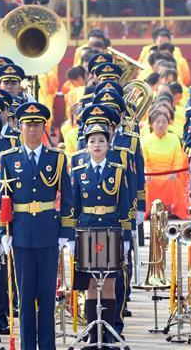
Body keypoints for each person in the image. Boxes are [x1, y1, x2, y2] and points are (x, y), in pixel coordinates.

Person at [0, 101, 74, 350]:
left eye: (37, 124)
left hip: (48, 231)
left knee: (46, 295)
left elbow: (67, 197)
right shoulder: (8, 159)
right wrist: (3, 231)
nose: (32, 129)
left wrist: (65, 232)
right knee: (25, 295)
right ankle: (28, 345)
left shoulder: (57, 158)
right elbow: (2, 199)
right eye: (28, 124)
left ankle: (48, 345)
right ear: (20, 127)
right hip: (19, 232)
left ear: (44, 127)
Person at [69, 122, 131, 345]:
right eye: (92, 141)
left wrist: (126, 235)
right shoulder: (79, 172)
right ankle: (93, 333)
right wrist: (71, 236)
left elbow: (124, 206)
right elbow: (73, 206)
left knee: (109, 284)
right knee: (91, 284)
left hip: (110, 229)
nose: (97, 145)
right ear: (86, 145)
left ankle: (109, 332)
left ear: (108, 144)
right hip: (87, 230)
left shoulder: (117, 170)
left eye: (101, 141)